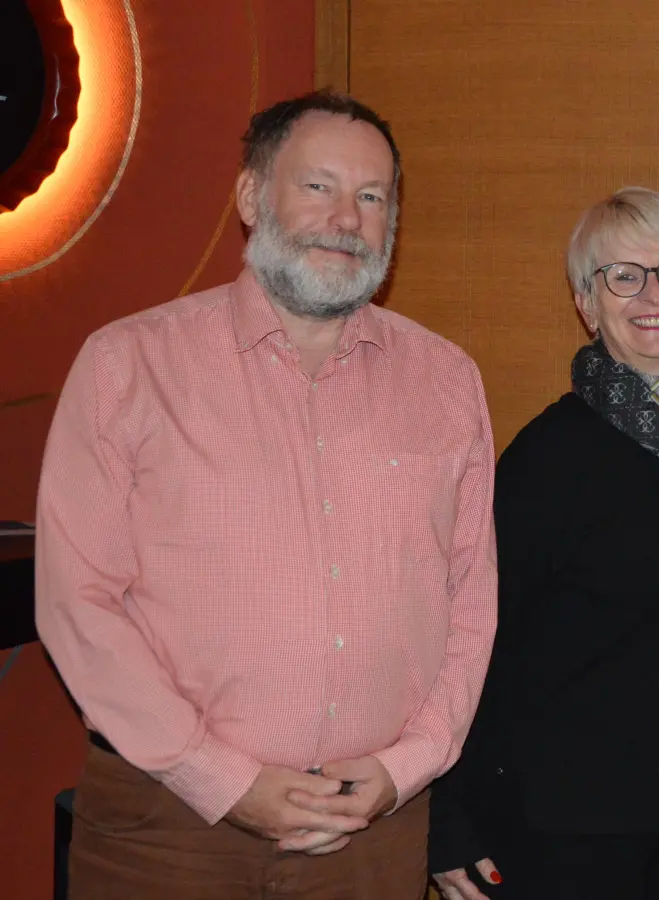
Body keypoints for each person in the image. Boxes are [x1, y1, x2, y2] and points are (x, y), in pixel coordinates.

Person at [33, 90, 498, 900]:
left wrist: (404, 767)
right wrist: (222, 780)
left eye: (372, 197)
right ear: (252, 198)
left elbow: (471, 604)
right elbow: (78, 604)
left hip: (373, 837)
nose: (346, 219)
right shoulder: (127, 366)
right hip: (169, 829)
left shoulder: (448, 382)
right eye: (318, 187)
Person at [428, 187, 659, 900]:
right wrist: (449, 815)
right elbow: (471, 639)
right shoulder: (548, 456)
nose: (652, 292)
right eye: (622, 275)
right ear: (588, 303)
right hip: (565, 826)